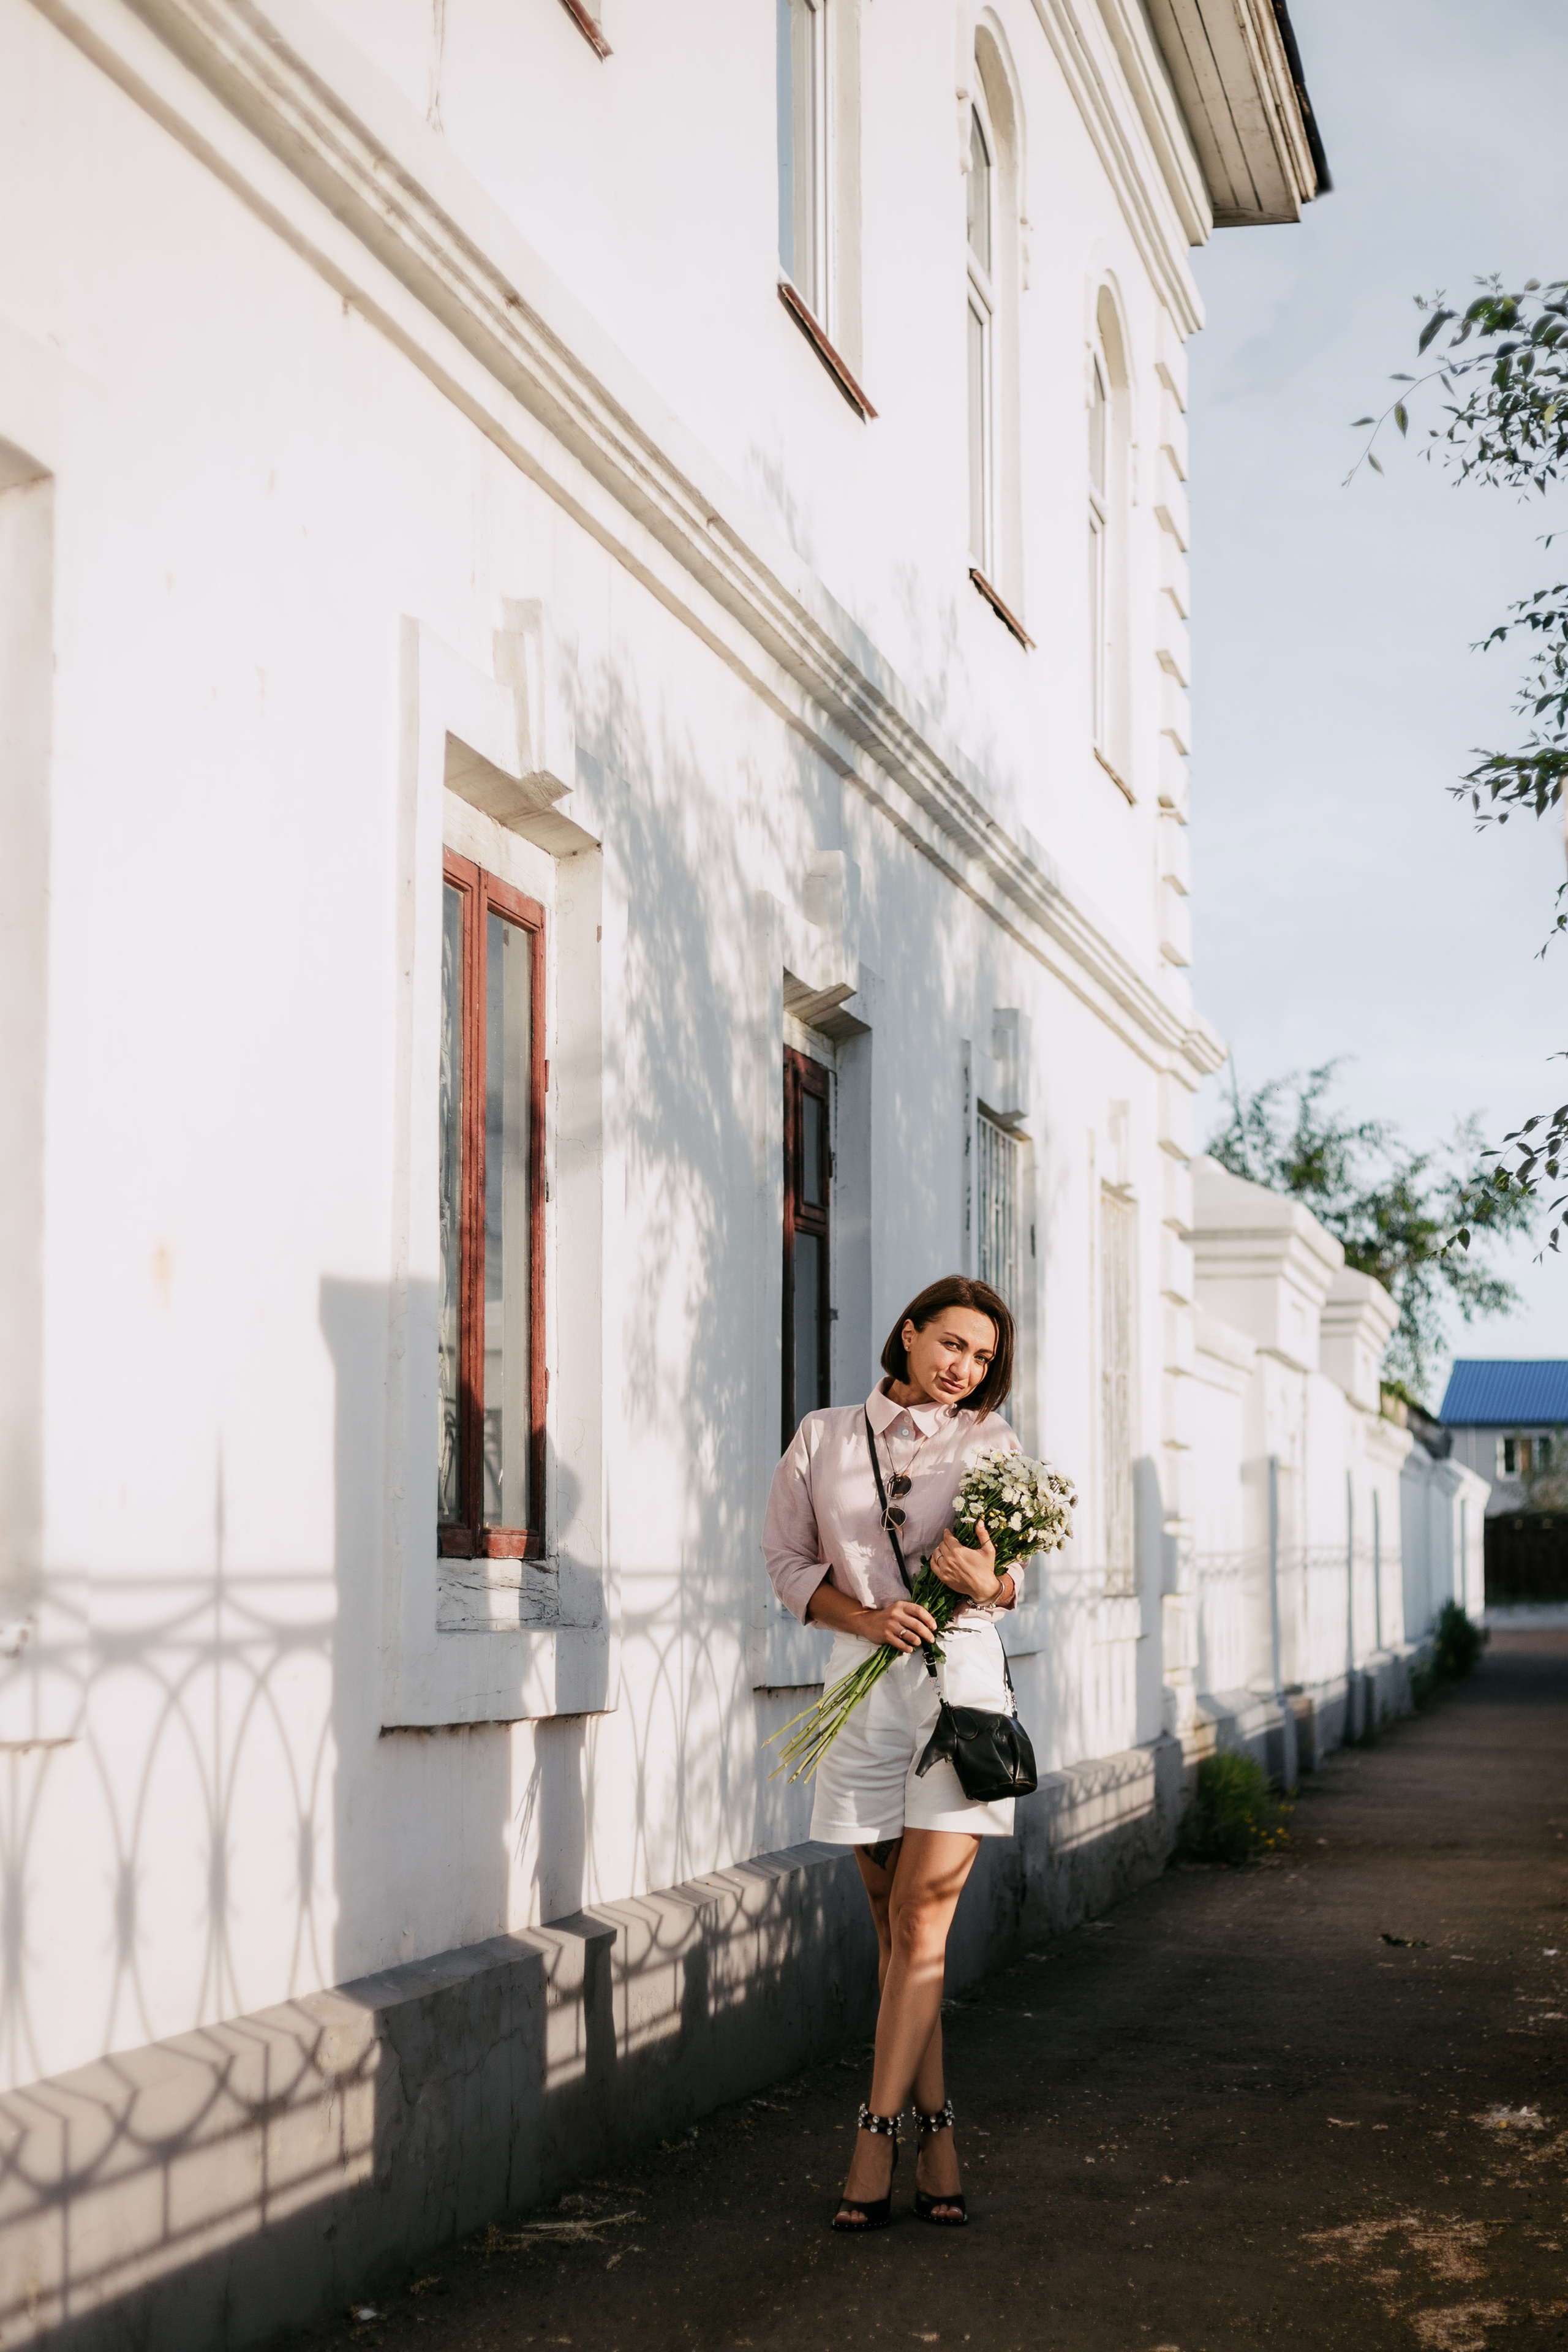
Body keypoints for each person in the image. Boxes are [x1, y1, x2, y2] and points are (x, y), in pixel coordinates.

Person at [763, 1274, 1022, 2230]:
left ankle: (875, 2137)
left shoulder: (990, 1442)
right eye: (952, 1344)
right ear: (908, 1334)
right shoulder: (822, 1437)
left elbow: (1011, 1577)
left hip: (961, 1699)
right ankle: (941, 2141)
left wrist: (985, 1580)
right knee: (891, 1928)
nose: (965, 1368)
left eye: (984, 1357)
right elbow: (788, 1564)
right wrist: (868, 1619)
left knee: (922, 1922)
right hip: (862, 1696)